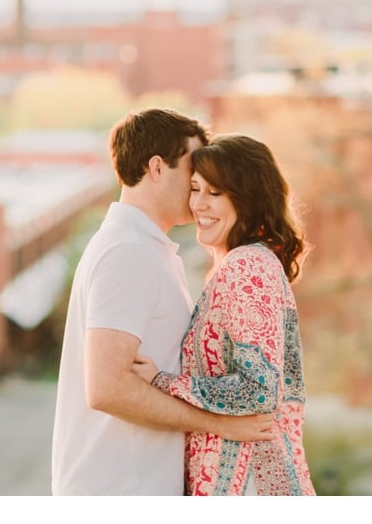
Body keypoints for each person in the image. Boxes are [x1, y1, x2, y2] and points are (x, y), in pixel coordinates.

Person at [51, 109, 278, 496]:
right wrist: (220, 424)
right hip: (117, 492)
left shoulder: (149, 250)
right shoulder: (129, 252)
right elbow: (107, 387)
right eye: (192, 173)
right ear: (157, 168)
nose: (199, 183)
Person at [133, 134, 316, 496]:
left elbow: (258, 390)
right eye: (195, 188)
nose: (199, 204)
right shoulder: (240, 264)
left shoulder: (247, 265)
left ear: (248, 198)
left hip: (251, 481)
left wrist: (163, 382)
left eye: (215, 194)